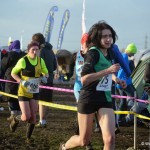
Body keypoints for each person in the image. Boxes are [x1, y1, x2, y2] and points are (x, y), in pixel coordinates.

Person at [59, 21, 127, 150]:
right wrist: (108, 71)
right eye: (104, 36)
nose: (108, 39)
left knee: (110, 139)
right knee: (84, 140)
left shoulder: (111, 52)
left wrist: (116, 79)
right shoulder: (93, 53)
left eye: (110, 36)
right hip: (88, 98)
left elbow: (106, 72)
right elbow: (84, 79)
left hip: (104, 98)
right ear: (97, 38)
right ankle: (64, 147)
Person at [11, 41, 48, 141]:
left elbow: (45, 72)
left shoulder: (41, 61)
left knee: (33, 117)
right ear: (28, 51)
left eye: (37, 50)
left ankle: (28, 138)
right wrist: (20, 81)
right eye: (33, 50)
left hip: (35, 91)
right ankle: (15, 119)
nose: (35, 52)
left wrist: (45, 77)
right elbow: (13, 73)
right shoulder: (23, 60)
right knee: (26, 117)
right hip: (24, 91)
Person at [32, 33, 58, 127]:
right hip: (50, 78)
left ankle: (41, 121)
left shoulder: (41, 50)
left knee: (41, 100)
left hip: (42, 79)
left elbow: (38, 64)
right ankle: (43, 121)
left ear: (37, 42)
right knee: (45, 101)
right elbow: (55, 66)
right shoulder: (51, 50)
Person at [1, 40, 25, 123]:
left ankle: (13, 114)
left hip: (10, 78)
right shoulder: (24, 55)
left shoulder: (9, 55)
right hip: (21, 78)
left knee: (10, 95)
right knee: (19, 95)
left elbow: (3, 66)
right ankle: (19, 113)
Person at [116, 43, 137, 125]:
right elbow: (121, 71)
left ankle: (120, 120)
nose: (133, 54)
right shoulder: (124, 57)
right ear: (131, 51)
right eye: (133, 53)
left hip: (122, 83)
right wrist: (121, 81)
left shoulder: (123, 56)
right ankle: (126, 118)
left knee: (123, 101)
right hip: (124, 83)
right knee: (133, 97)